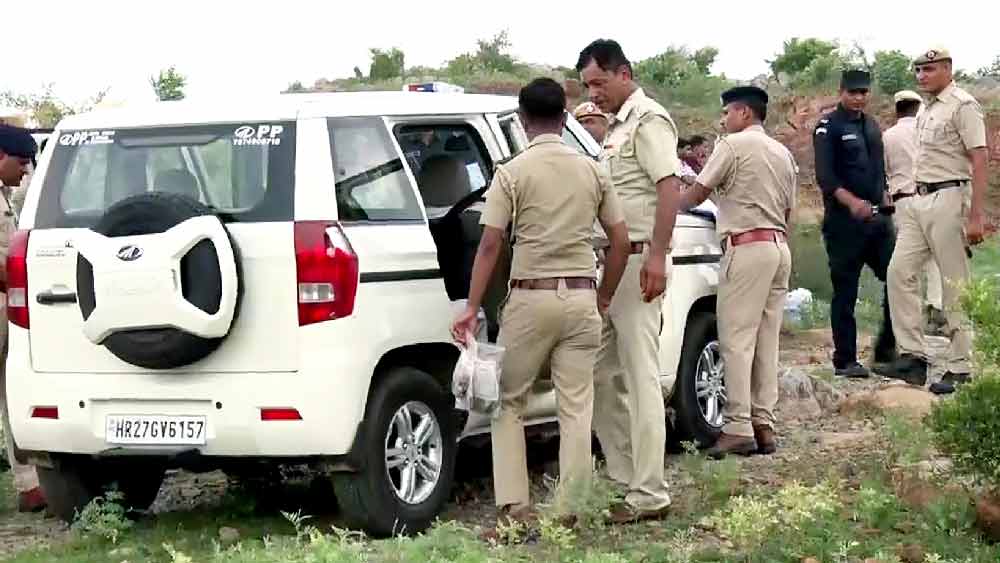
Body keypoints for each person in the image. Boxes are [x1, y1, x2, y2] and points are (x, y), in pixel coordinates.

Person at [451, 78, 631, 529]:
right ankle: (571, 508)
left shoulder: (511, 172)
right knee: (575, 404)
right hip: (582, 296)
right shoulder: (593, 169)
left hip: (531, 299)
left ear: (523, 119)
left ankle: (515, 509)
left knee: (508, 402)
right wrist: (603, 295)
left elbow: (490, 245)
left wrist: (471, 308)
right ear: (565, 115)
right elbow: (621, 241)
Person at [576, 38, 682, 523]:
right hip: (613, 266)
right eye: (586, 86)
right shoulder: (614, 130)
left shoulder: (649, 120)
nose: (593, 93)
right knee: (598, 374)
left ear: (625, 73)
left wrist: (658, 255)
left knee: (641, 379)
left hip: (640, 263)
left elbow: (669, 187)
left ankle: (650, 493)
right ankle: (627, 477)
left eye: (599, 82)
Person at [678, 86, 797, 458]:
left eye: (727, 112)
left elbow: (697, 194)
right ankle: (764, 423)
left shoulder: (733, 146)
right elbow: (788, 210)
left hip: (746, 248)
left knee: (737, 338)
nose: (723, 119)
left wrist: (667, 205)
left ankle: (737, 426)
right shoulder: (782, 152)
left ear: (744, 113)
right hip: (778, 246)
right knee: (766, 339)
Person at [885, 47, 989, 394]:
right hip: (918, 198)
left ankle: (960, 366)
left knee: (953, 282)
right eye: (918, 70)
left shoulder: (963, 105)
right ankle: (913, 356)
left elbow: (980, 158)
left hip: (950, 196)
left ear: (947, 68)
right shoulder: (927, 109)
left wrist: (976, 215)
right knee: (899, 272)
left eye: (928, 69)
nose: (921, 76)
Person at [812, 70, 897, 378]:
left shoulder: (872, 125)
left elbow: (879, 171)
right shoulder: (828, 127)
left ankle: (887, 350)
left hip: (878, 222)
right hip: (844, 224)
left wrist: (885, 196)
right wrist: (852, 203)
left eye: (863, 92)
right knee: (845, 292)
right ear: (841, 91)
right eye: (853, 92)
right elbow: (826, 178)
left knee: (899, 278)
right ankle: (845, 359)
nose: (859, 97)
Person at [0, 125, 46, 512]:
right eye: (21, 162)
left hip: (6, 309)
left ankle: (30, 484)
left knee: (12, 394)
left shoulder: (7, 197)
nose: (26, 171)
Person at [882, 90, 947, 336]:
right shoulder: (927, 132)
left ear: (897, 109)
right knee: (933, 255)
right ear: (918, 107)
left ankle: (912, 315)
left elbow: (884, 171)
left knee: (907, 259)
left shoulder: (888, 137)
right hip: (930, 197)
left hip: (902, 202)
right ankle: (936, 306)